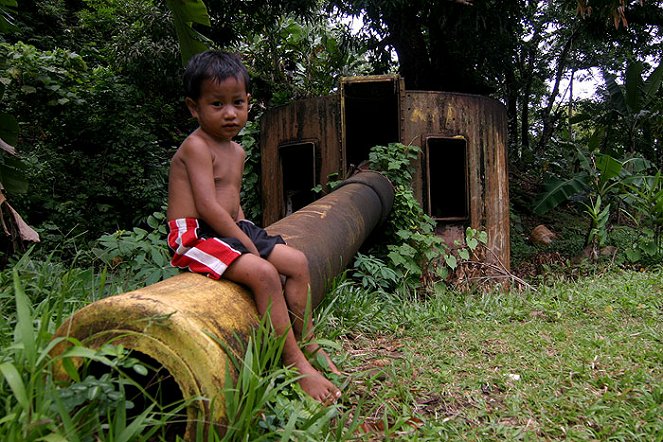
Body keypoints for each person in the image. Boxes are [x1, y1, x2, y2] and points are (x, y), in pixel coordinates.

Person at [166, 50, 341, 404]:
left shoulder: (237, 151)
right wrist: (246, 242)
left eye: (237, 102)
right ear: (193, 107)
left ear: (249, 103)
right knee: (262, 274)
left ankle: (306, 340)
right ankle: (294, 362)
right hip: (196, 233)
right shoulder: (197, 146)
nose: (230, 113)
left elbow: (230, 200)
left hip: (229, 226)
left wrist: (247, 229)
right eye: (217, 104)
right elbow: (208, 206)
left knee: (297, 263)